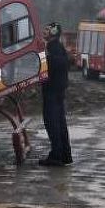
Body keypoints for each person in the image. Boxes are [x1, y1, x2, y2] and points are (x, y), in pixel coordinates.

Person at [39, 22, 73, 166]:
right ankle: (65, 155)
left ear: (53, 32)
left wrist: (44, 58)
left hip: (52, 91)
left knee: (53, 123)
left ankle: (56, 156)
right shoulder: (57, 48)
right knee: (59, 123)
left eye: (47, 29)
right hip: (58, 90)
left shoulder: (54, 48)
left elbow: (57, 64)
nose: (44, 31)